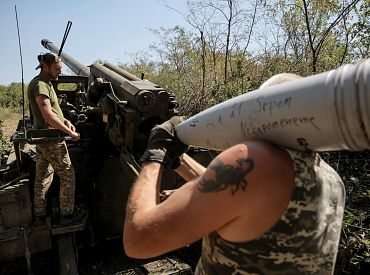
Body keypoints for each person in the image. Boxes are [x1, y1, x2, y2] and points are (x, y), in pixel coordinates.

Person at [123, 74, 345, 274]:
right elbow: (234, 194)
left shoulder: (255, 160)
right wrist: (178, 160)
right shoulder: (332, 179)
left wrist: (154, 156)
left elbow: (138, 240)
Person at [27, 52, 80, 225]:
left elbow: (55, 112)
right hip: (51, 139)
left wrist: (66, 121)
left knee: (42, 176)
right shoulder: (40, 85)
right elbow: (48, 116)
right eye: (57, 69)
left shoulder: (46, 84)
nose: (59, 72)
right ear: (46, 67)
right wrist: (70, 133)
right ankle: (67, 216)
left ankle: (40, 216)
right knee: (67, 175)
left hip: (44, 138)